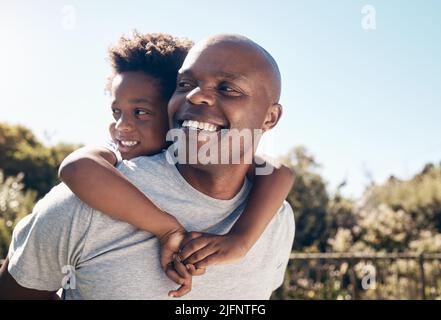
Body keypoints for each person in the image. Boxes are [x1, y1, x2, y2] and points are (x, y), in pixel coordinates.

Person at [0, 33, 295, 300]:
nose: (195, 95)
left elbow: (279, 172)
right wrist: (167, 230)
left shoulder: (276, 218)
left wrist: (241, 240)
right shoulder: (85, 202)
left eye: (228, 88)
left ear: (270, 118)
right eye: (186, 84)